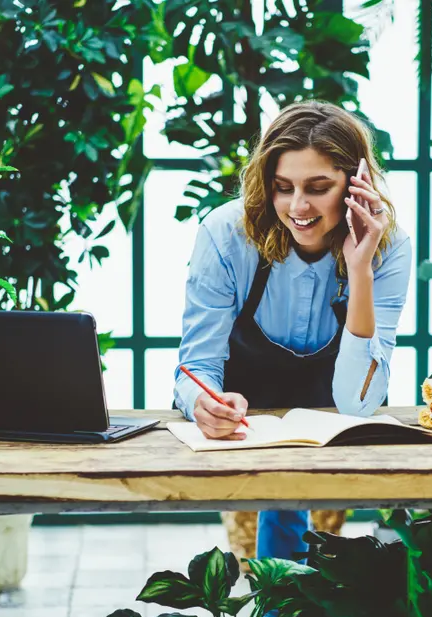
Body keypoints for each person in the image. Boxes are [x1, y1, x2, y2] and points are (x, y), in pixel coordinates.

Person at [173, 100, 412, 565]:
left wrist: (360, 269)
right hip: (248, 424)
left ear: (355, 184)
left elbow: (358, 401)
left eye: (318, 188)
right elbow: (195, 366)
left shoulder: (389, 247)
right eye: (283, 188)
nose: (298, 207)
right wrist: (203, 401)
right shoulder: (225, 234)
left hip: (331, 419)